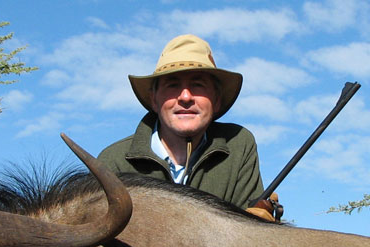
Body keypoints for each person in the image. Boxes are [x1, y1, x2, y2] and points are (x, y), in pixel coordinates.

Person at [98, 34, 279, 221]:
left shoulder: (239, 145)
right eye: (172, 85)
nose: (185, 97)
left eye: (198, 85)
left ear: (216, 100)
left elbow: (246, 230)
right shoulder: (113, 161)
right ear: (154, 99)